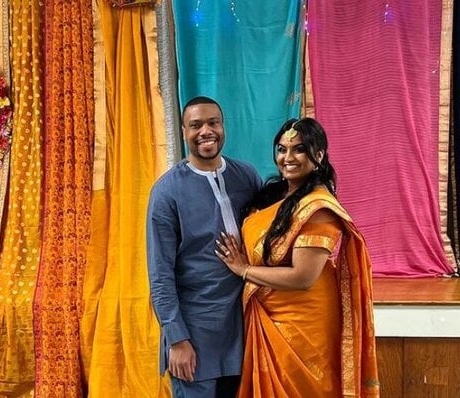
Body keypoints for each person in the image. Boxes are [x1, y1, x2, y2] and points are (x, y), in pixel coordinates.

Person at [216, 117, 380, 397]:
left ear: (318, 155)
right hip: (267, 311)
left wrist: (242, 269)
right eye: (282, 149)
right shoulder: (274, 194)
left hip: (303, 321)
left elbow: (302, 277)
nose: (287, 158)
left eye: (299, 149)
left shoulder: (318, 207)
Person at [146, 96, 262, 398]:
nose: (206, 131)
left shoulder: (246, 177)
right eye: (196, 125)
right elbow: (160, 276)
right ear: (184, 131)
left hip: (244, 327)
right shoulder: (167, 192)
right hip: (195, 334)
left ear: (223, 127)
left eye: (213, 122)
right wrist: (176, 339)